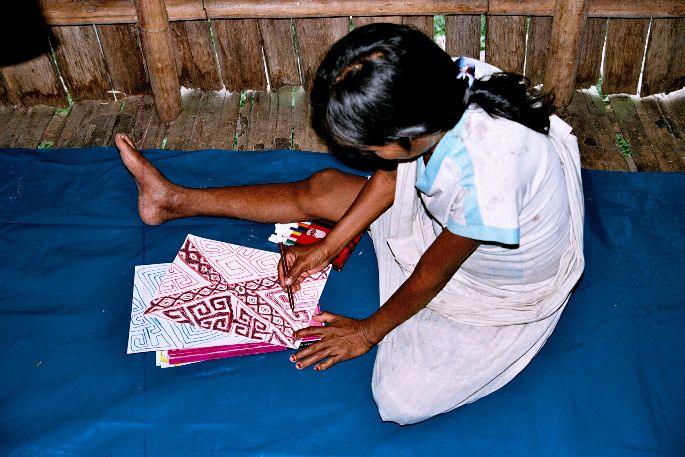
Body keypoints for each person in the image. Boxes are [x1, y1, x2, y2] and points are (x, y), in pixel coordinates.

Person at [116, 23, 584, 425]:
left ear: (409, 136)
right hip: (452, 220)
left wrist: (368, 331)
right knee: (322, 190)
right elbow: (390, 177)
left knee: (399, 399)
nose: (361, 157)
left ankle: (520, 327)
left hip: (499, 285)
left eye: (367, 146)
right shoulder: (436, 82)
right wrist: (326, 246)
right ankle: (171, 199)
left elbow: (431, 273)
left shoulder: (486, 174)